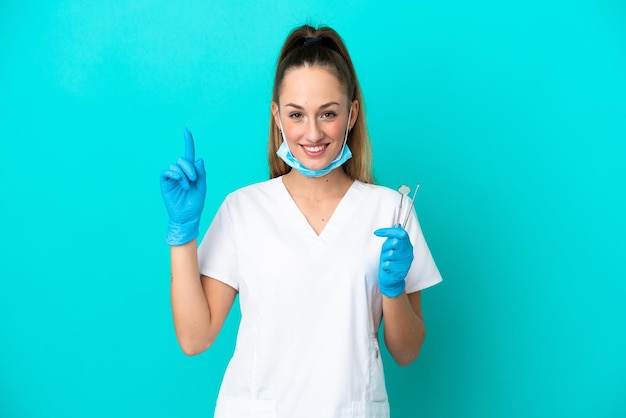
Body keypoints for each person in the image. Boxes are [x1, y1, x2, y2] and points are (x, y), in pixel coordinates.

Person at [160, 24, 442, 418]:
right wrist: (182, 234)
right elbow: (194, 337)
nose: (312, 133)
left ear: (351, 114)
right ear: (277, 115)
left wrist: (393, 292)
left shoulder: (391, 212)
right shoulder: (243, 209)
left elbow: (407, 351)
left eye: (328, 113)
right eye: (296, 114)